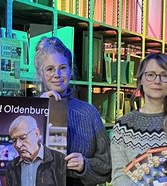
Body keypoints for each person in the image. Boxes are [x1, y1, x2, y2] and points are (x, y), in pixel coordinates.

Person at [34, 36, 111, 185]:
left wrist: (84, 165)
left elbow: (107, 165)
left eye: (62, 68)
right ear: (40, 75)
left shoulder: (88, 113)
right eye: (49, 69)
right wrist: (39, 108)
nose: (57, 75)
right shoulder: (27, 110)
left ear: (70, 71)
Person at [111, 53, 167, 185]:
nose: (157, 81)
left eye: (164, 75)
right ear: (141, 80)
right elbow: (118, 176)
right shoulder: (124, 126)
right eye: (150, 75)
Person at [6, 115, 66, 186]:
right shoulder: (12, 167)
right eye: (14, 140)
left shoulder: (61, 161)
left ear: (36, 134)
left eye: (23, 138)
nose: (18, 145)